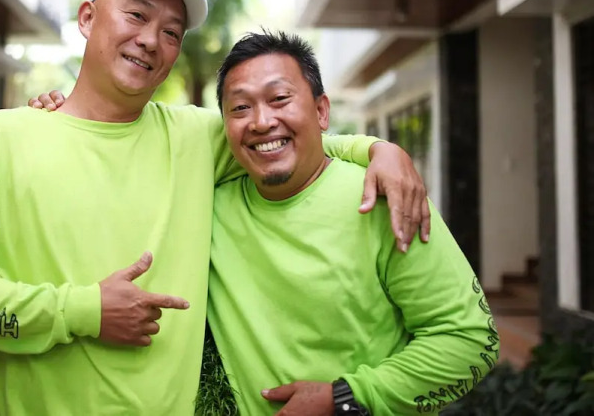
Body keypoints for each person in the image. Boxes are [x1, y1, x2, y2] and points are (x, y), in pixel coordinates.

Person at [0, 0, 429, 415]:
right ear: (87, 18)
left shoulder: (195, 137)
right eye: (136, 15)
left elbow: (285, 139)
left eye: (171, 32)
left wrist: (379, 149)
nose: (150, 40)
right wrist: (84, 311)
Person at [204, 30, 498, 415]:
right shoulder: (209, 209)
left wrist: (344, 398)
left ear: (321, 111)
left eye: (280, 99)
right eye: (240, 107)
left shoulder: (386, 197)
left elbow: (470, 340)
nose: (261, 121)